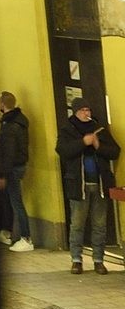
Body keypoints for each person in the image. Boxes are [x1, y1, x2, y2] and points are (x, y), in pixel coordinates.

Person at [57, 101, 119, 273]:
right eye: (83, 110)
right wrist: (83, 142)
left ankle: (99, 259)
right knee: (77, 224)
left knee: (99, 224)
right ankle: (76, 259)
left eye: (88, 109)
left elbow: (115, 151)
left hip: (99, 184)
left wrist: (98, 145)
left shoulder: (99, 128)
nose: (86, 112)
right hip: (79, 185)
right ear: (76, 112)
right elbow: (63, 150)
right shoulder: (67, 129)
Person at [0, 91, 33, 251]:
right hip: (19, 164)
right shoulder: (19, 121)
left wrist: (2, 174)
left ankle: (26, 238)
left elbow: (8, 152)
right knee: (10, 199)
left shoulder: (9, 125)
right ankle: (7, 232)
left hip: (13, 168)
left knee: (16, 201)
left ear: (2, 104)